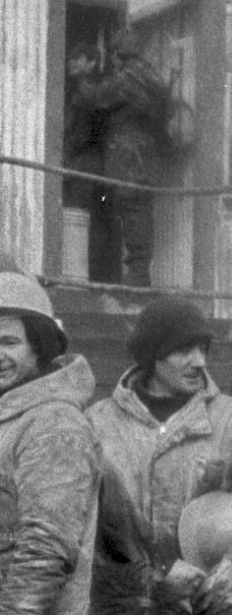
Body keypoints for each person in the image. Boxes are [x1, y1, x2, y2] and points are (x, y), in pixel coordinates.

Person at [87, 296, 232, 614]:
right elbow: (75, 523)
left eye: (203, 349)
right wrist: (153, 574)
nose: (199, 361)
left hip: (208, 607)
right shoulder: (97, 424)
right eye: (183, 350)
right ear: (152, 355)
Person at [0, 254, 101, 614]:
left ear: (39, 347)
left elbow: (45, 551)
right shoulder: (10, 416)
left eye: (9, 342)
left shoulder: (53, 425)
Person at [74, 28, 170, 287]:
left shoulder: (129, 78)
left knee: (133, 213)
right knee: (139, 213)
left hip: (129, 160)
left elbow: (95, 97)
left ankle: (137, 277)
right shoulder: (150, 75)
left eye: (114, 55)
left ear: (119, 53)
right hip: (146, 159)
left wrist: (82, 77)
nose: (113, 62)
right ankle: (139, 273)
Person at [62, 42, 106, 210]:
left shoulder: (95, 90)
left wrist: (69, 151)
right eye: (70, 58)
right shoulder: (77, 90)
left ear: (92, 62)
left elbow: (86, 132)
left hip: (88, 161)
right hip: (78, 161)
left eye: (77, 58)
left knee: (78, 211)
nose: (70, 62)